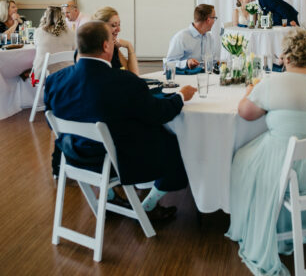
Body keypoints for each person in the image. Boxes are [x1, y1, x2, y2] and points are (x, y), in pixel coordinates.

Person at [226, 28, 306, 275]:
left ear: (287, 57)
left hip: (295, 175)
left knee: (243, 157)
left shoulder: (274, 83)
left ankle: (262, 222)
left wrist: (251, 91)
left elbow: (246, 113)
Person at [44, 21, 197, 221]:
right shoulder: (125, 81)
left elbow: (50, 121)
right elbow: (158, 114)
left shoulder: (55, 80)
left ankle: (108, 198)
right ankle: (147, 207)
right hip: (117, 159)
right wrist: (180, 96)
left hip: (74, 154)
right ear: (107, 46)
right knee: (179, 145)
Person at [167, 4, 217, 72]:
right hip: (185, 80)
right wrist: (186, 63)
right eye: (214, 18)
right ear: (208, 20)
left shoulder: (210, 38)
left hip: (206, 78)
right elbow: (168, 63)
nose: (214, 21)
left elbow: (213, 62)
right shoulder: (181, 37)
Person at [32, 6, 76, 80]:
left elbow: (36, 49)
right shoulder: (72, 33)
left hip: (44, 77)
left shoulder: (38, 32)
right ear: (62, 17)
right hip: (67, 76)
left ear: (45, 17)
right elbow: (75, 52)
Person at [92, 6, 139, 75]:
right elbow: (134, 76)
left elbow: (132, 74)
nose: (119, 29)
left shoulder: (113, 46)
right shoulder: (94, 50)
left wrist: (129, 46)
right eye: (114, 25)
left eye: (119, 24)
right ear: (101, 27)